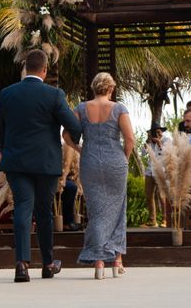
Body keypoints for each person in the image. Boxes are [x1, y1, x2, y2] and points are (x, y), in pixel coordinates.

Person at [0, 49, 82, 283]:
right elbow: (74, 124)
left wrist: (8, 151)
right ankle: (47, 263)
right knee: (44, 211)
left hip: (16, 162)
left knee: (23, 208)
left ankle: (21, 264)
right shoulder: (54, 95)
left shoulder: (7, 93)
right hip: (46, 162)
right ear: (44, 70)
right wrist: (72, 141)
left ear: (25, 68)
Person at [72, 72, 134, 280]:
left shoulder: (81, 108)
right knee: (118, 209)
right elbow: (130, 138)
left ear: (94, 88)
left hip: (90, 160)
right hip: (115, 161)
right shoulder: (118, 109)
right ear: (110, 89)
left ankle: (99, 262)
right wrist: (124, 158)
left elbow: (66, 135)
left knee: (96, 210)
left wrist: (79, 149)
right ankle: (116, 260)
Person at [141, 122, 170, 227]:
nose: (157, 134)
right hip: (149, 171)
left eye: (158, 132)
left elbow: (167, 154)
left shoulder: (167, 140)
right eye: (154, 132)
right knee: (149, 195)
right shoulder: (149, 142)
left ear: (162, 132)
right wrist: (148, 142)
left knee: (162, 196)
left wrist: (159, 144)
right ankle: (152, 220)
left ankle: (165, 220)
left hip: (160, 171)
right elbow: (143, 154)